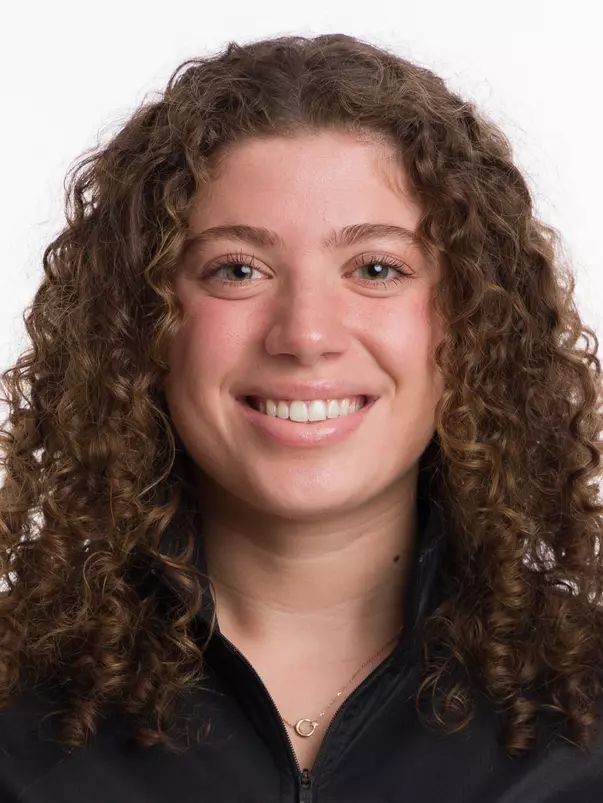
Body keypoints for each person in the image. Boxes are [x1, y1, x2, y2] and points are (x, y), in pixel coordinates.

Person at [0, 31, 602, 803]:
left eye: (376, 268)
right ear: (143, 326)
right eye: (238, 270)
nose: (305, 334)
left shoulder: (582, 718)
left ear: (471, 323)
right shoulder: (17, 720)